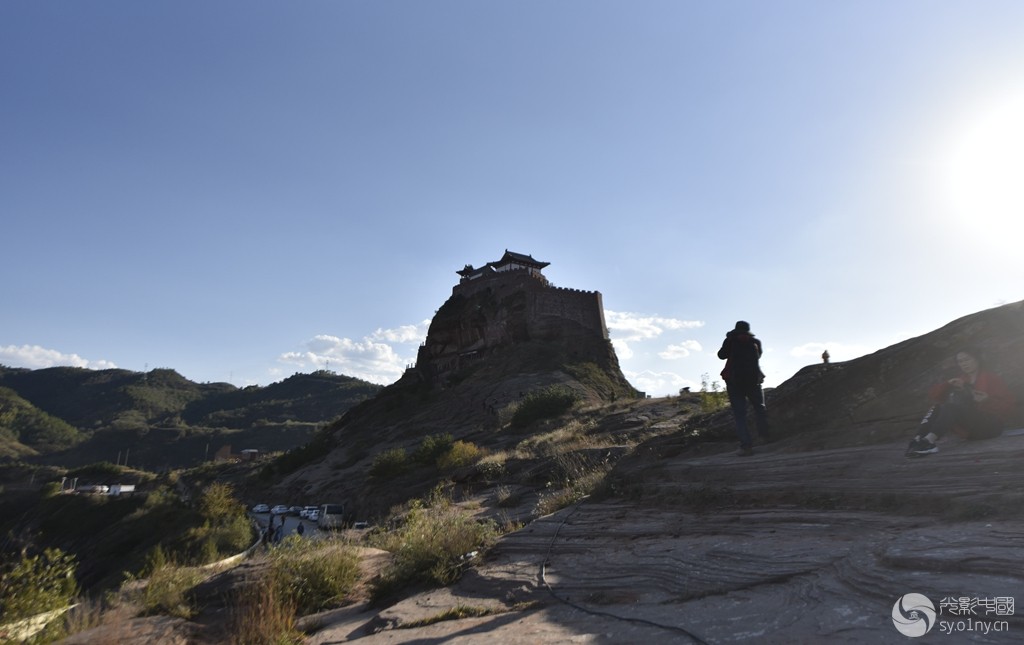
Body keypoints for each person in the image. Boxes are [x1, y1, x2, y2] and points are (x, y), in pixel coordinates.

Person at [906, 349, 1017, 457]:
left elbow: (1009, 406)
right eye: (960, 361)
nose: (964, 364)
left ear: (977, 359)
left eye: (967, 359)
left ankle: (929, 441)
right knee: (937, 407)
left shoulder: (991, 378)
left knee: (951, 407)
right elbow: (934, 396)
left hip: (990, 427)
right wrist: (948, 384)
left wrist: (987, 400)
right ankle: (917, 439)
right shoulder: (961, 380)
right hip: (970, 430)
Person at [717, 320, 770, 456]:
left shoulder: (731, 341)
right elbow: (759, 356)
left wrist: (729, 339)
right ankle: (766, 438)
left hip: (735, 382)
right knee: (760, 408)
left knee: (740, 414)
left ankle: (746, 446)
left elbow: (721, 355)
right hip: (753, 380)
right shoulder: (755, 342)